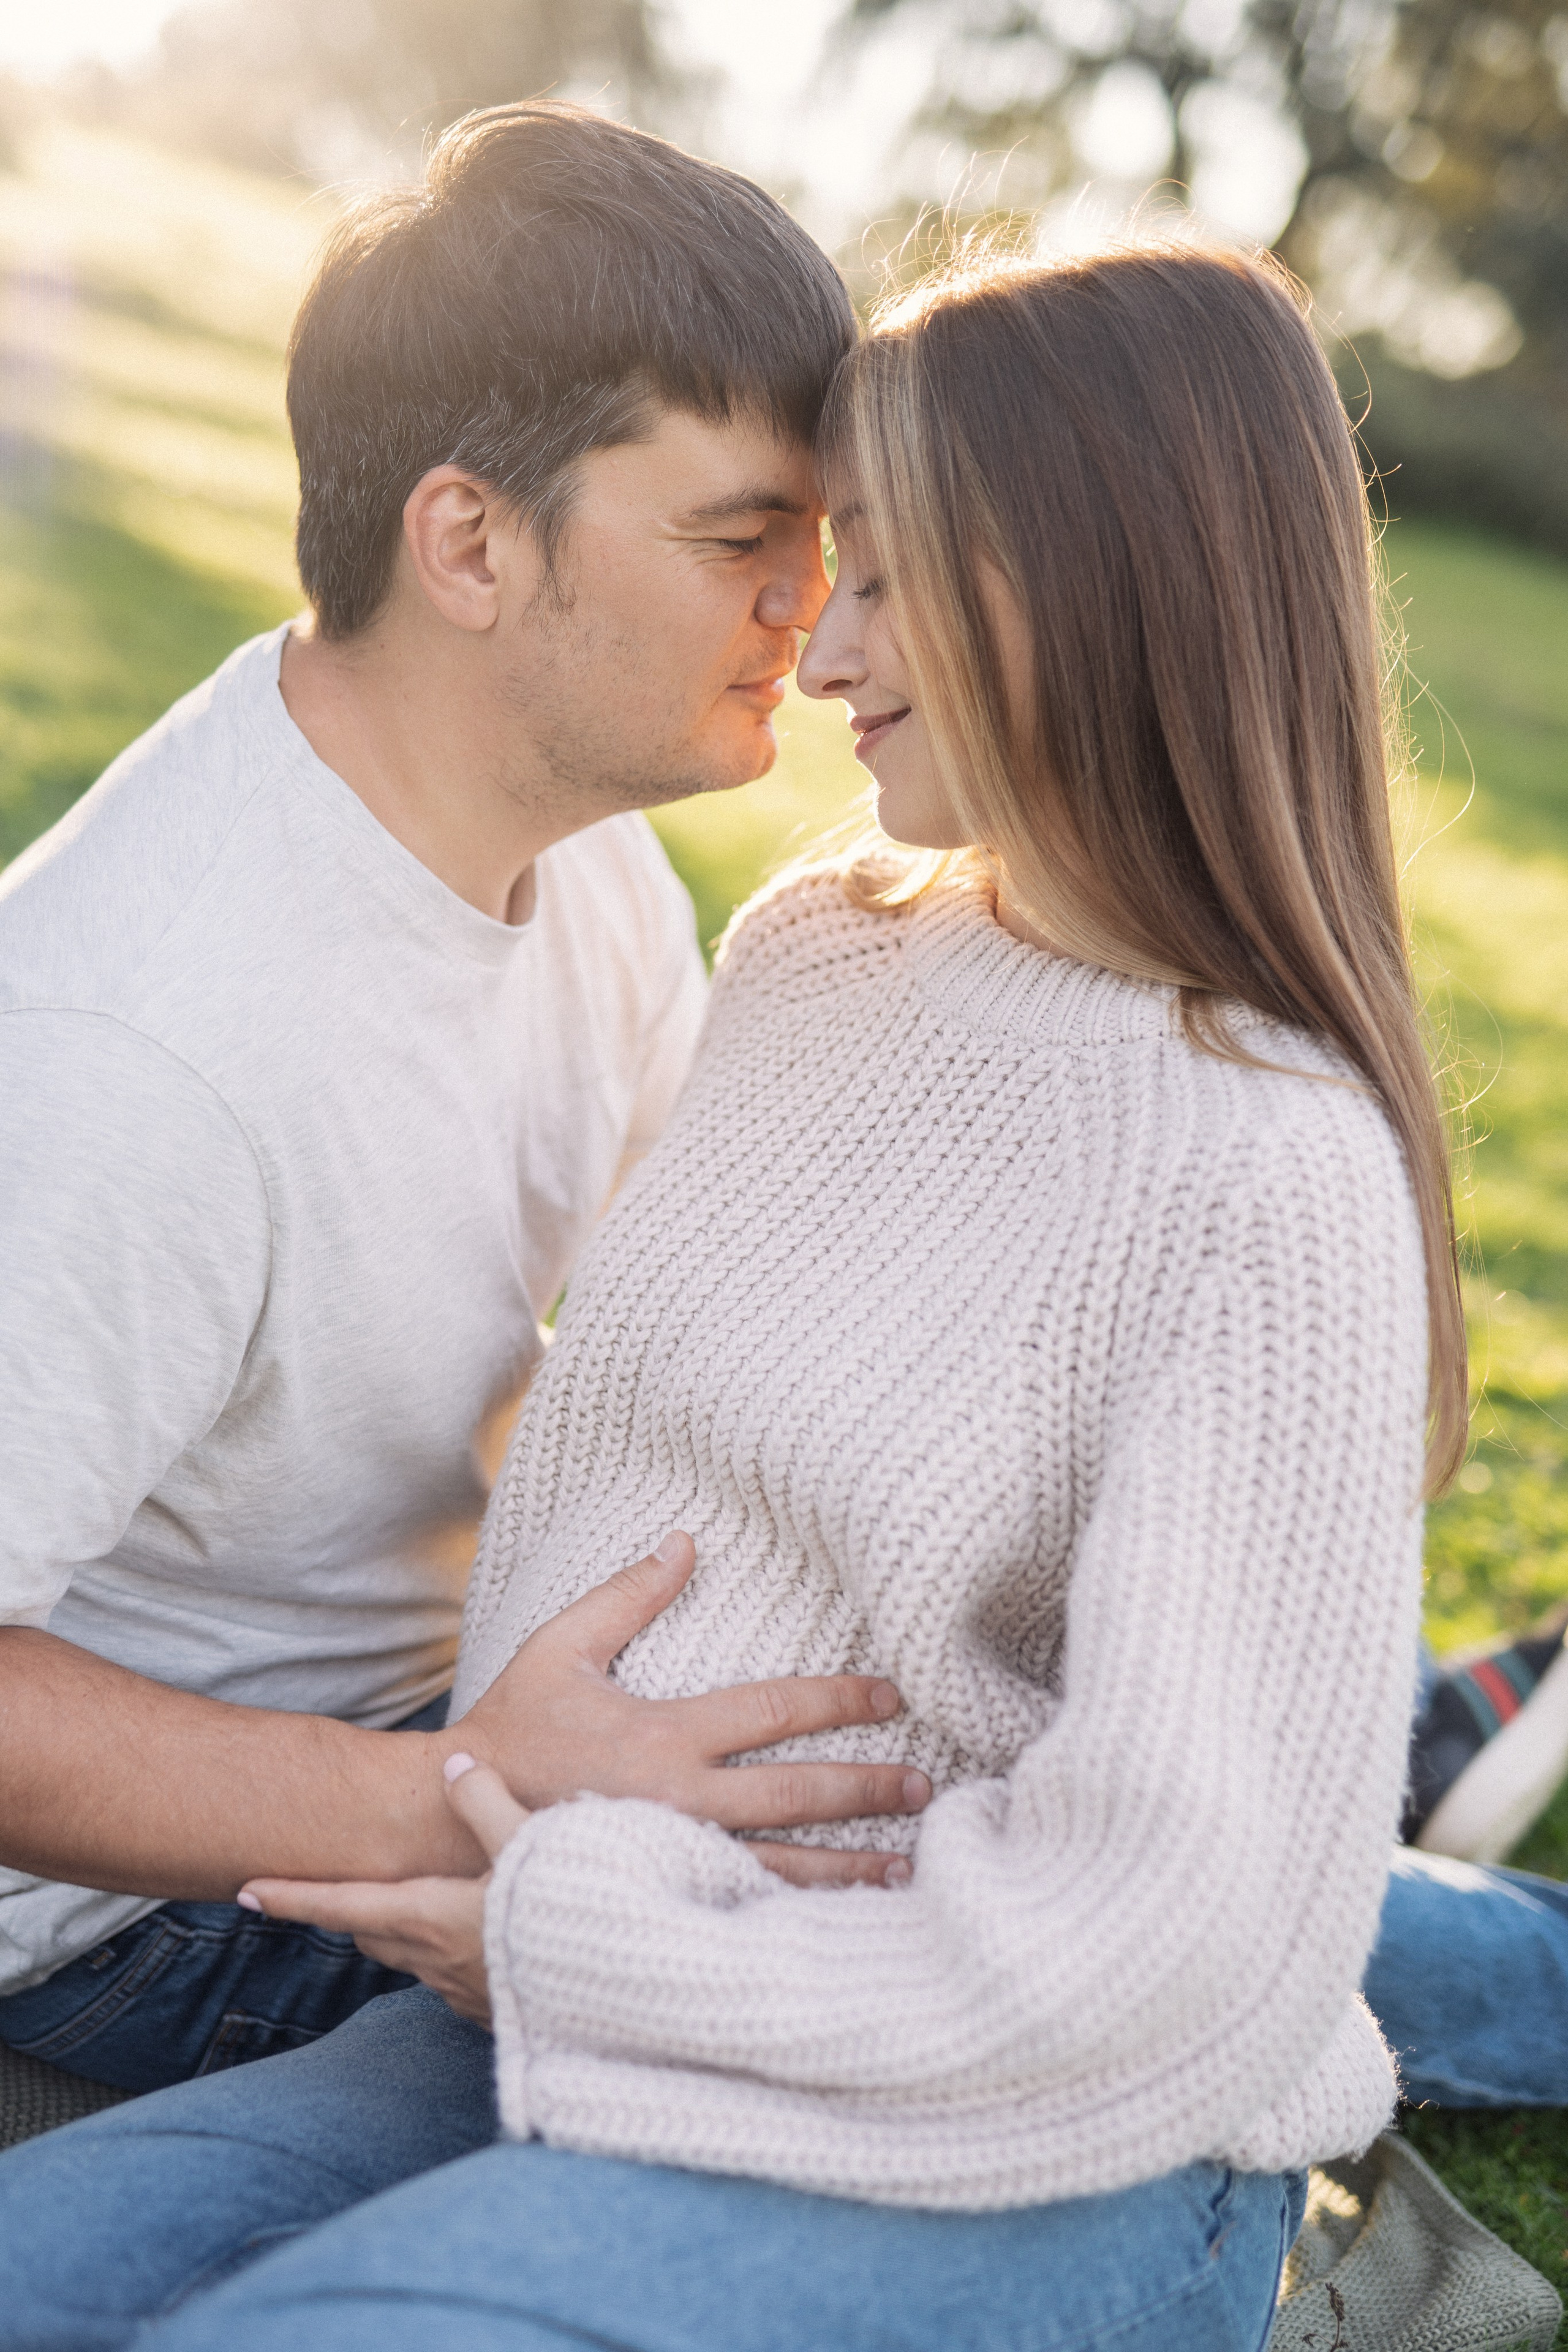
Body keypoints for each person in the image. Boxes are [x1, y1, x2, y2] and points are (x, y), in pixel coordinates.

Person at [0, 234, 1461, 2350]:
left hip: (993, 2102)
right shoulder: (818, 952)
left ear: (1096, 590)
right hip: (571, 1962)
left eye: (874, 570)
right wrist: (542, 1868)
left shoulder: (1269, 1163)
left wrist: (576, 1920)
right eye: (778, 549)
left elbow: (1176, 1934)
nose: (819, 638)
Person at [0, 102, 929, 2099]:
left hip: (466, 1700)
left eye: (827, 540)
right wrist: (469, 1800)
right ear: (472, 542)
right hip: (140, 1926)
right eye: (742, 541)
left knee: (954, 1772)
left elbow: (725, 1303)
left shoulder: (573, 841)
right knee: (890, 1945)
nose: (822, 613)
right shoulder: (132, 1050)